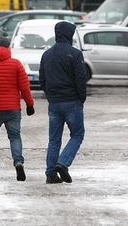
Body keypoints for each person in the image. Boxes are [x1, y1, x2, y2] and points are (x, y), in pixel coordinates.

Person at [38, 21, 86, 184]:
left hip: (54, 102)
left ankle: (51, 173)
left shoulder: (47, 54)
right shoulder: (75, 53)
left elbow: (42, 79)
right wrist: (81, 98)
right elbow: (80, 79)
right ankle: (63, 163)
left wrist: (50, 95)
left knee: (54, 139)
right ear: (69, 34)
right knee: (77, 134)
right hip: (72, 101)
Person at [0, 35, 35, 182]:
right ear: (8, 48)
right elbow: (24, 87)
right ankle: (18, 161)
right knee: (15, 137)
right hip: (13, 108)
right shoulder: (16, 64)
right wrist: (29, 104)